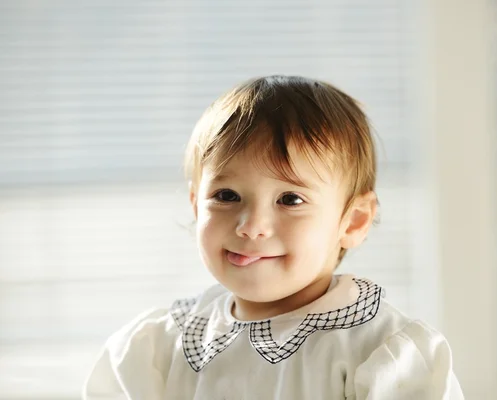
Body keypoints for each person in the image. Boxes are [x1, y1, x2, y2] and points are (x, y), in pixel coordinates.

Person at [83, 75, 464, 399]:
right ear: (196, 205)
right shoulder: (156, 348)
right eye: (226, 196)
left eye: (290, 199)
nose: (251, 226)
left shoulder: (380, 352)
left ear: (353, 222)